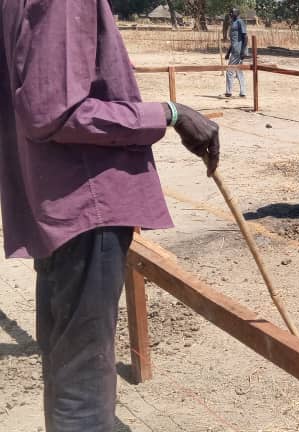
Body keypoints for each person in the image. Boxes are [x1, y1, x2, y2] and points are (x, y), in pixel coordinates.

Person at [0, 1, 221, 430]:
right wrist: (170, 114)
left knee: (67, 364)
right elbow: (55, 112)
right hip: (86, 206)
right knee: (82, 385)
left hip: (55, 202)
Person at [225, 8, 248, 97]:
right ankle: (243, 92)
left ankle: (228, 92)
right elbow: (233, 41)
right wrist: (228, 52)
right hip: (235, 49)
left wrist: (243, 51)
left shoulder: (240, 22)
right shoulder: (233, 23)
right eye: (230, 11)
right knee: (239, 70)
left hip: (239, 50)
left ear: (237, 13)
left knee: (229, 70)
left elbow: (245, 37)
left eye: (232, 12)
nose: (230, 13)